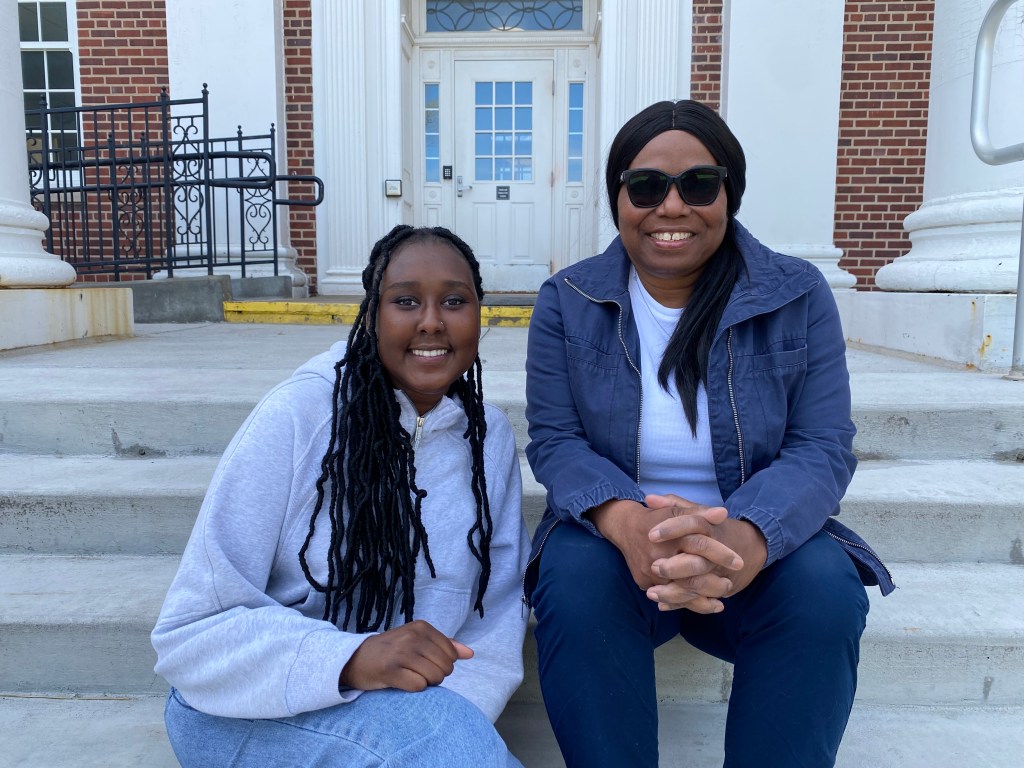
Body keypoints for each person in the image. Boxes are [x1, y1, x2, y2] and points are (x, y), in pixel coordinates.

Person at [523, 100, 896, 767]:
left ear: (729, 193)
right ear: (618, 198)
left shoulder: (797, 293)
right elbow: (555, 440)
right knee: (573, 581)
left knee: (825, 591)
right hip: (619, 547)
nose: (672, 207)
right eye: (646, 186)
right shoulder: (567, 300)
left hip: (752, 546)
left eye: (698, 184)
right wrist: (626, 520)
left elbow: (822, 447)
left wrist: (746, 536)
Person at [152, 225, 530, 767]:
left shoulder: (487, 437)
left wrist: (450, 715)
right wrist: (350, 658)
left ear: (479, 315)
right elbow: (190, 634)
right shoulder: (297, 418)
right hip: (244, 707)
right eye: (405, 301)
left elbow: (494, 614)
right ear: (372, 316)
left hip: (414, 714)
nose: (431, 321)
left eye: (454, 300)